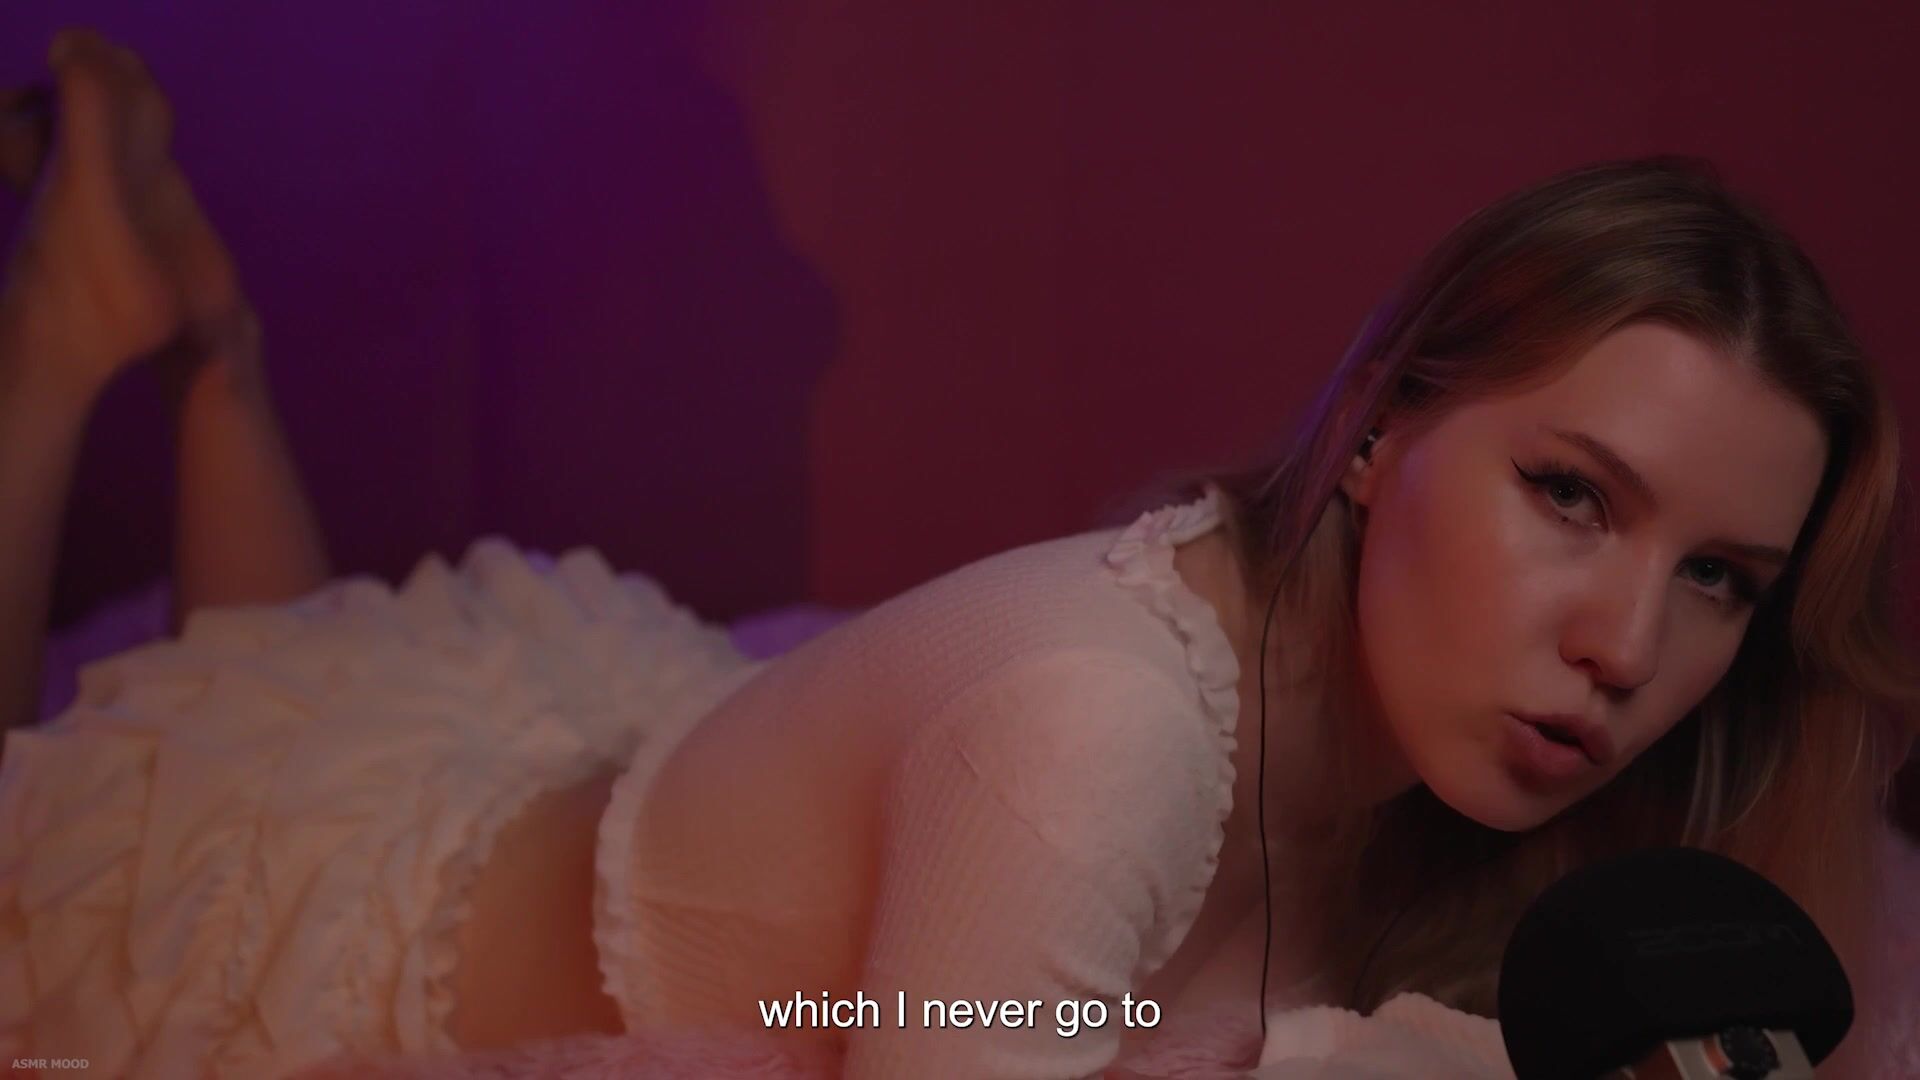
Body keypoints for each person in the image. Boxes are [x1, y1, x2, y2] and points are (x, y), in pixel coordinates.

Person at [2, 26, 1915, 1080]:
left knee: (273, 673)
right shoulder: (1095, 736)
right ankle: (58, 348)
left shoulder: (1428, 759)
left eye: (1720, 580)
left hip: (593, 776)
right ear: (1380, 431)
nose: (1626, 645)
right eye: (1572, 495)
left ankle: (210, 351)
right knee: (125, 825)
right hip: (406, 932)